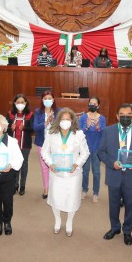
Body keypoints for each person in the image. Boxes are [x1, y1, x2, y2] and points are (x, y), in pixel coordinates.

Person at [98, 103, 132, 246]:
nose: (125, 117)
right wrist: (112, 163)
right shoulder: (108, 131)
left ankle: (127, 230)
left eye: (128, 115)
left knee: (130, 205)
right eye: (122, 115)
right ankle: (115, 228)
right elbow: (101, 152)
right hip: (114, 174)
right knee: (114, 205)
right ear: (117, 116)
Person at [41, 108, 90, 236]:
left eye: (67, 119)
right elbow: (44, 152)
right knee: (56, 197)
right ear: (58, 120)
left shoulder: (79, 134)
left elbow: (85, 152)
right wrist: (50, 163)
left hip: (73, 174)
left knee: (72, 198)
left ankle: (69, 222)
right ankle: (57, 220)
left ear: (72, 121)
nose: (65, 121)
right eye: (62, 119)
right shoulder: (51, 134)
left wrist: (77, 164)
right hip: (56, 173)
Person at [79, 97, 106, 202]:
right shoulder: (83, 117)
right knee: (85, 171)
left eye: (95, 104)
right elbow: (79, 133)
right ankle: (84, 190)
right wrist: (87, 127)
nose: (92, 105)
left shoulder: (102, 118)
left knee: (96, 172)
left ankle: (96, 193)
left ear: (98, 106)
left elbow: (104, 133)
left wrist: (99, 128)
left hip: (97, 148)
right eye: (91, 103)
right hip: (85, 148)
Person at [33, 90, 59, 199]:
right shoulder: (38, 112)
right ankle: (46, 188)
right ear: (42, 100)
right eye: (45, 98)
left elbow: (63, 126)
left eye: (49, 98)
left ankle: (55, 188)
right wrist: (46, 122)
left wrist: (53, 122)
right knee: (44, 167)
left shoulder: (59, 111)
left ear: (53, 100)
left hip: (56, 144)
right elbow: (35, 127)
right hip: (42, 143)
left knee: (55, 166)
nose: (47, 100)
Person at [7, 94, 34, 195]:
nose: (20, 104)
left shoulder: (30, 114)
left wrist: (24, 128)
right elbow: (5, 129)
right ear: (14, 103)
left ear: (26, 103)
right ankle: (15, 185)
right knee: (14, 164)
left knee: (24, 164)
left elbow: (32, 129)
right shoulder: (10, 114)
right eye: (18, 102)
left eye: (22, 102)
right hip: (13, 145)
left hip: (25, 144)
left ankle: (22, 185)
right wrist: (11, 128)